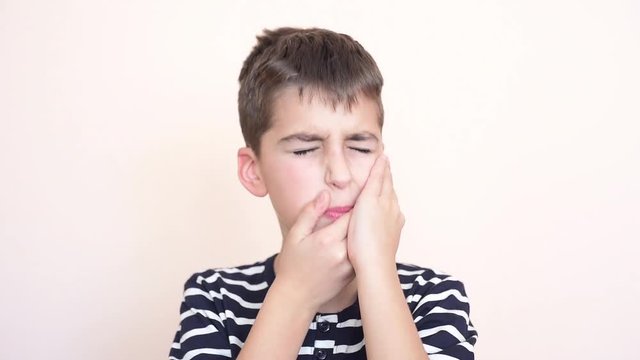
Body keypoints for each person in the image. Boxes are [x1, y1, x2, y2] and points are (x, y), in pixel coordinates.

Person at [169, 27, 477, 360]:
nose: (341, 175)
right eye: (304, 150)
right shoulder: (215, 299)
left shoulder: (433, 296)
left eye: (359, 146)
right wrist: (295, 294)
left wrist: (376, 269)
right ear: (253, 170)